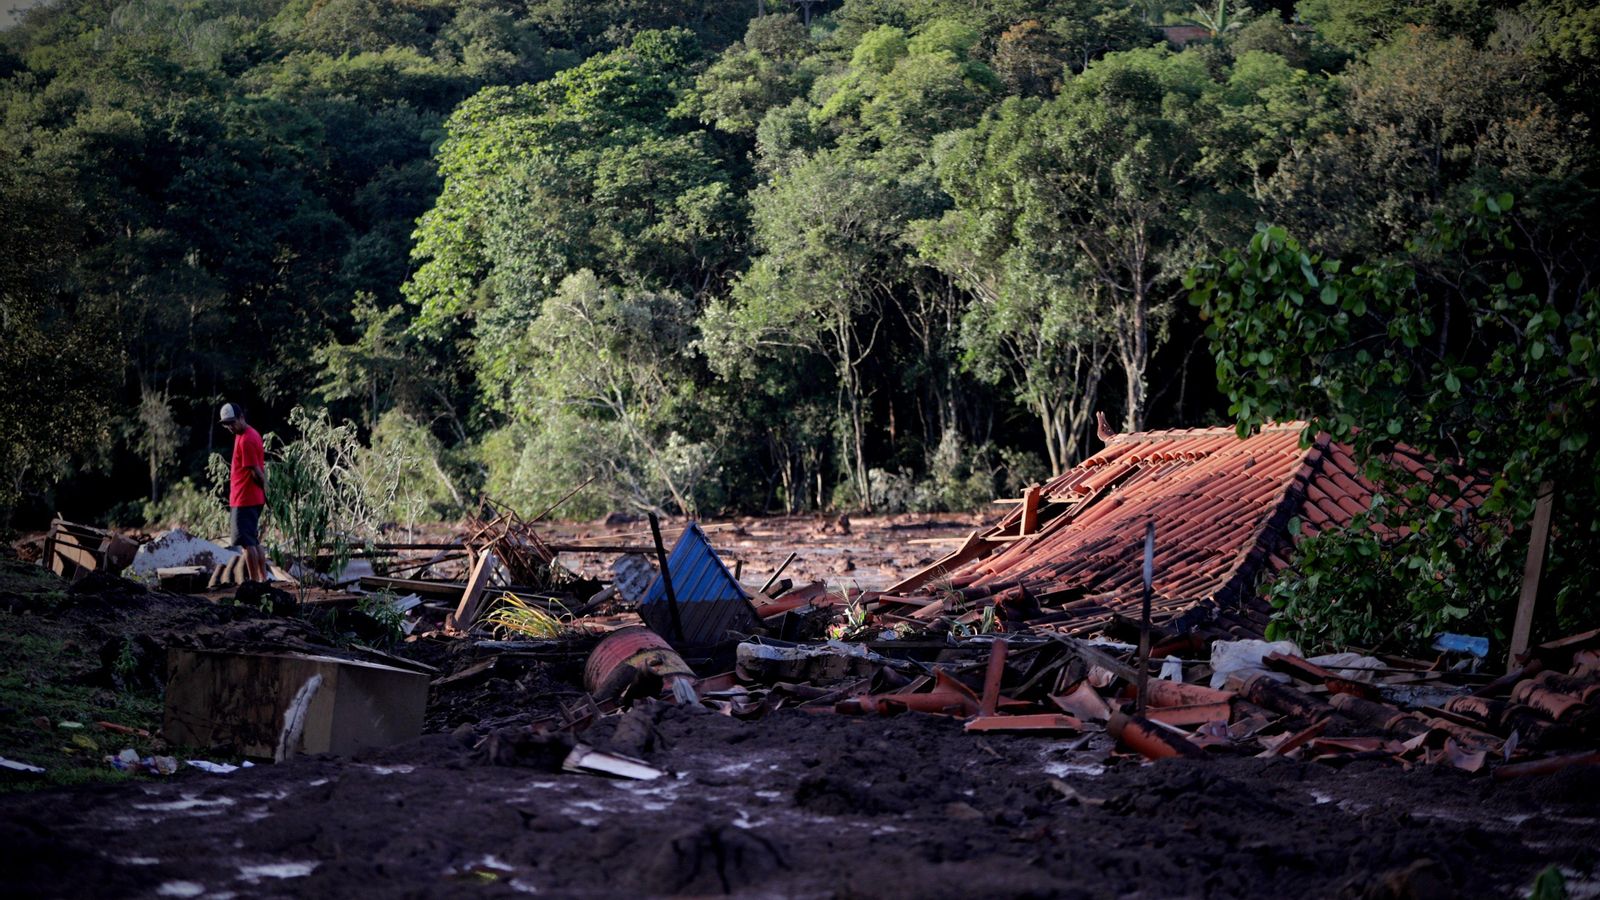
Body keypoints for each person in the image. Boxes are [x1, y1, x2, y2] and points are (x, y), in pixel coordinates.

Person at [219, 402, 268, 583]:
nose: (230, 427)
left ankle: (255, 583)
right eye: (226, 424)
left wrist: (265, 489)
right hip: (249, 497)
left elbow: (255, 471)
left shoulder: (247, 439)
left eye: (232, 422)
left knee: (247, 545)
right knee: (253, 541)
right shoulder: (247, 434)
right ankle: (263, 579)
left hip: (245, 499)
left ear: (241, 417)